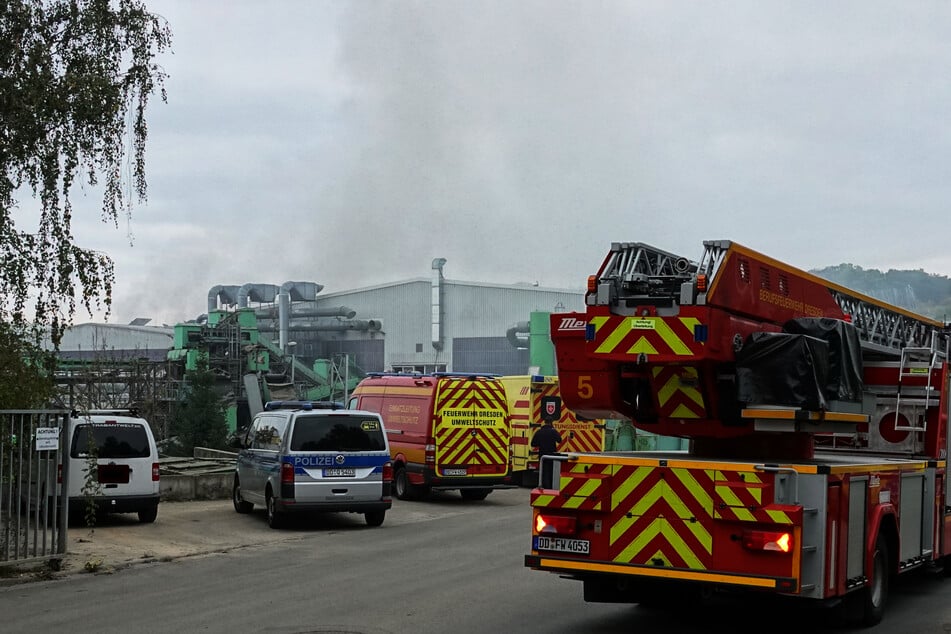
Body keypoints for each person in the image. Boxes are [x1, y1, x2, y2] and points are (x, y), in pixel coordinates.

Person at [531, 419, 562, 488]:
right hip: (552, 456)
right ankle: (550, 487)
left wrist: (541, 443)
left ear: (544, 423)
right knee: (551, 472)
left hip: (542, 456)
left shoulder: (539, 432)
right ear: (551, 423)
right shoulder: (553, 431)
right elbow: (559, 440)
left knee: (543, 472)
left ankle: (543, 486)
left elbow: (533, 444)